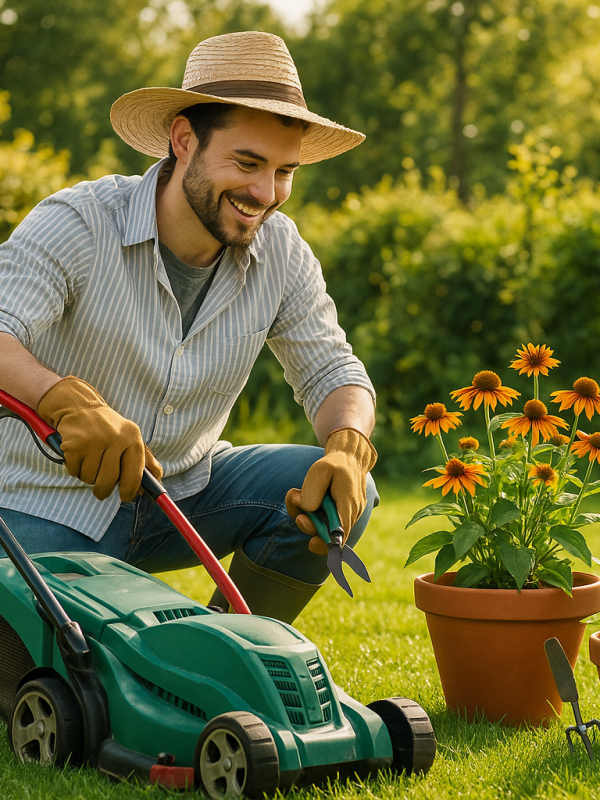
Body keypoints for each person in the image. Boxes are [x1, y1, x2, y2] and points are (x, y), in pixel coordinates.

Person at [0, 31, 378, 624]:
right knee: (82, 684)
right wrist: (66, 401)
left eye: (284, 171)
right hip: (45, 504)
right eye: (248, 163)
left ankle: (236, 651)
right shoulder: (77, 222)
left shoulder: (282, 250)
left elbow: (334, 370)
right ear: (183, 139)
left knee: (333, 491)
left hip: (183, 498)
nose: (265, 193)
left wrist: (349, 447)